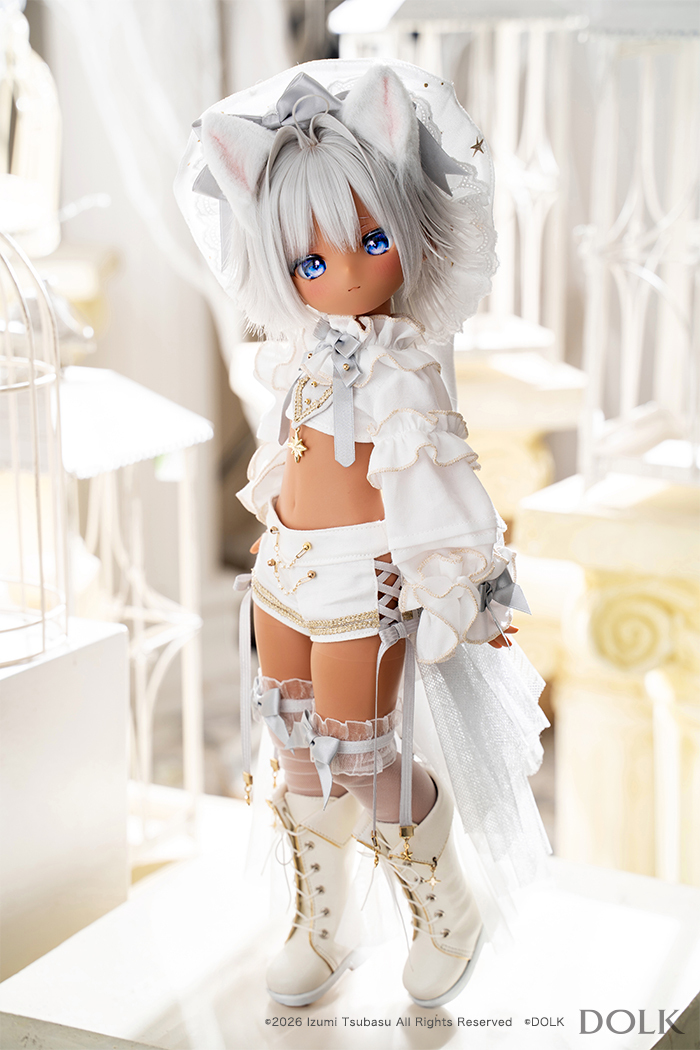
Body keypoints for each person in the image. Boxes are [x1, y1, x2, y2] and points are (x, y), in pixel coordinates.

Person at [175, 58, 550, 1011]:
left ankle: (447, 909)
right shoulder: (304, 350)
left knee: (364, 754)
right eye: (311, 261)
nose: (343, 275)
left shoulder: (404, 363)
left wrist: (464, 581)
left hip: (362, 577)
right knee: (296, 746)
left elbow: (440, 476)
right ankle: (323, 920)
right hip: (284, 569)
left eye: (371, 241)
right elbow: (290, 451)